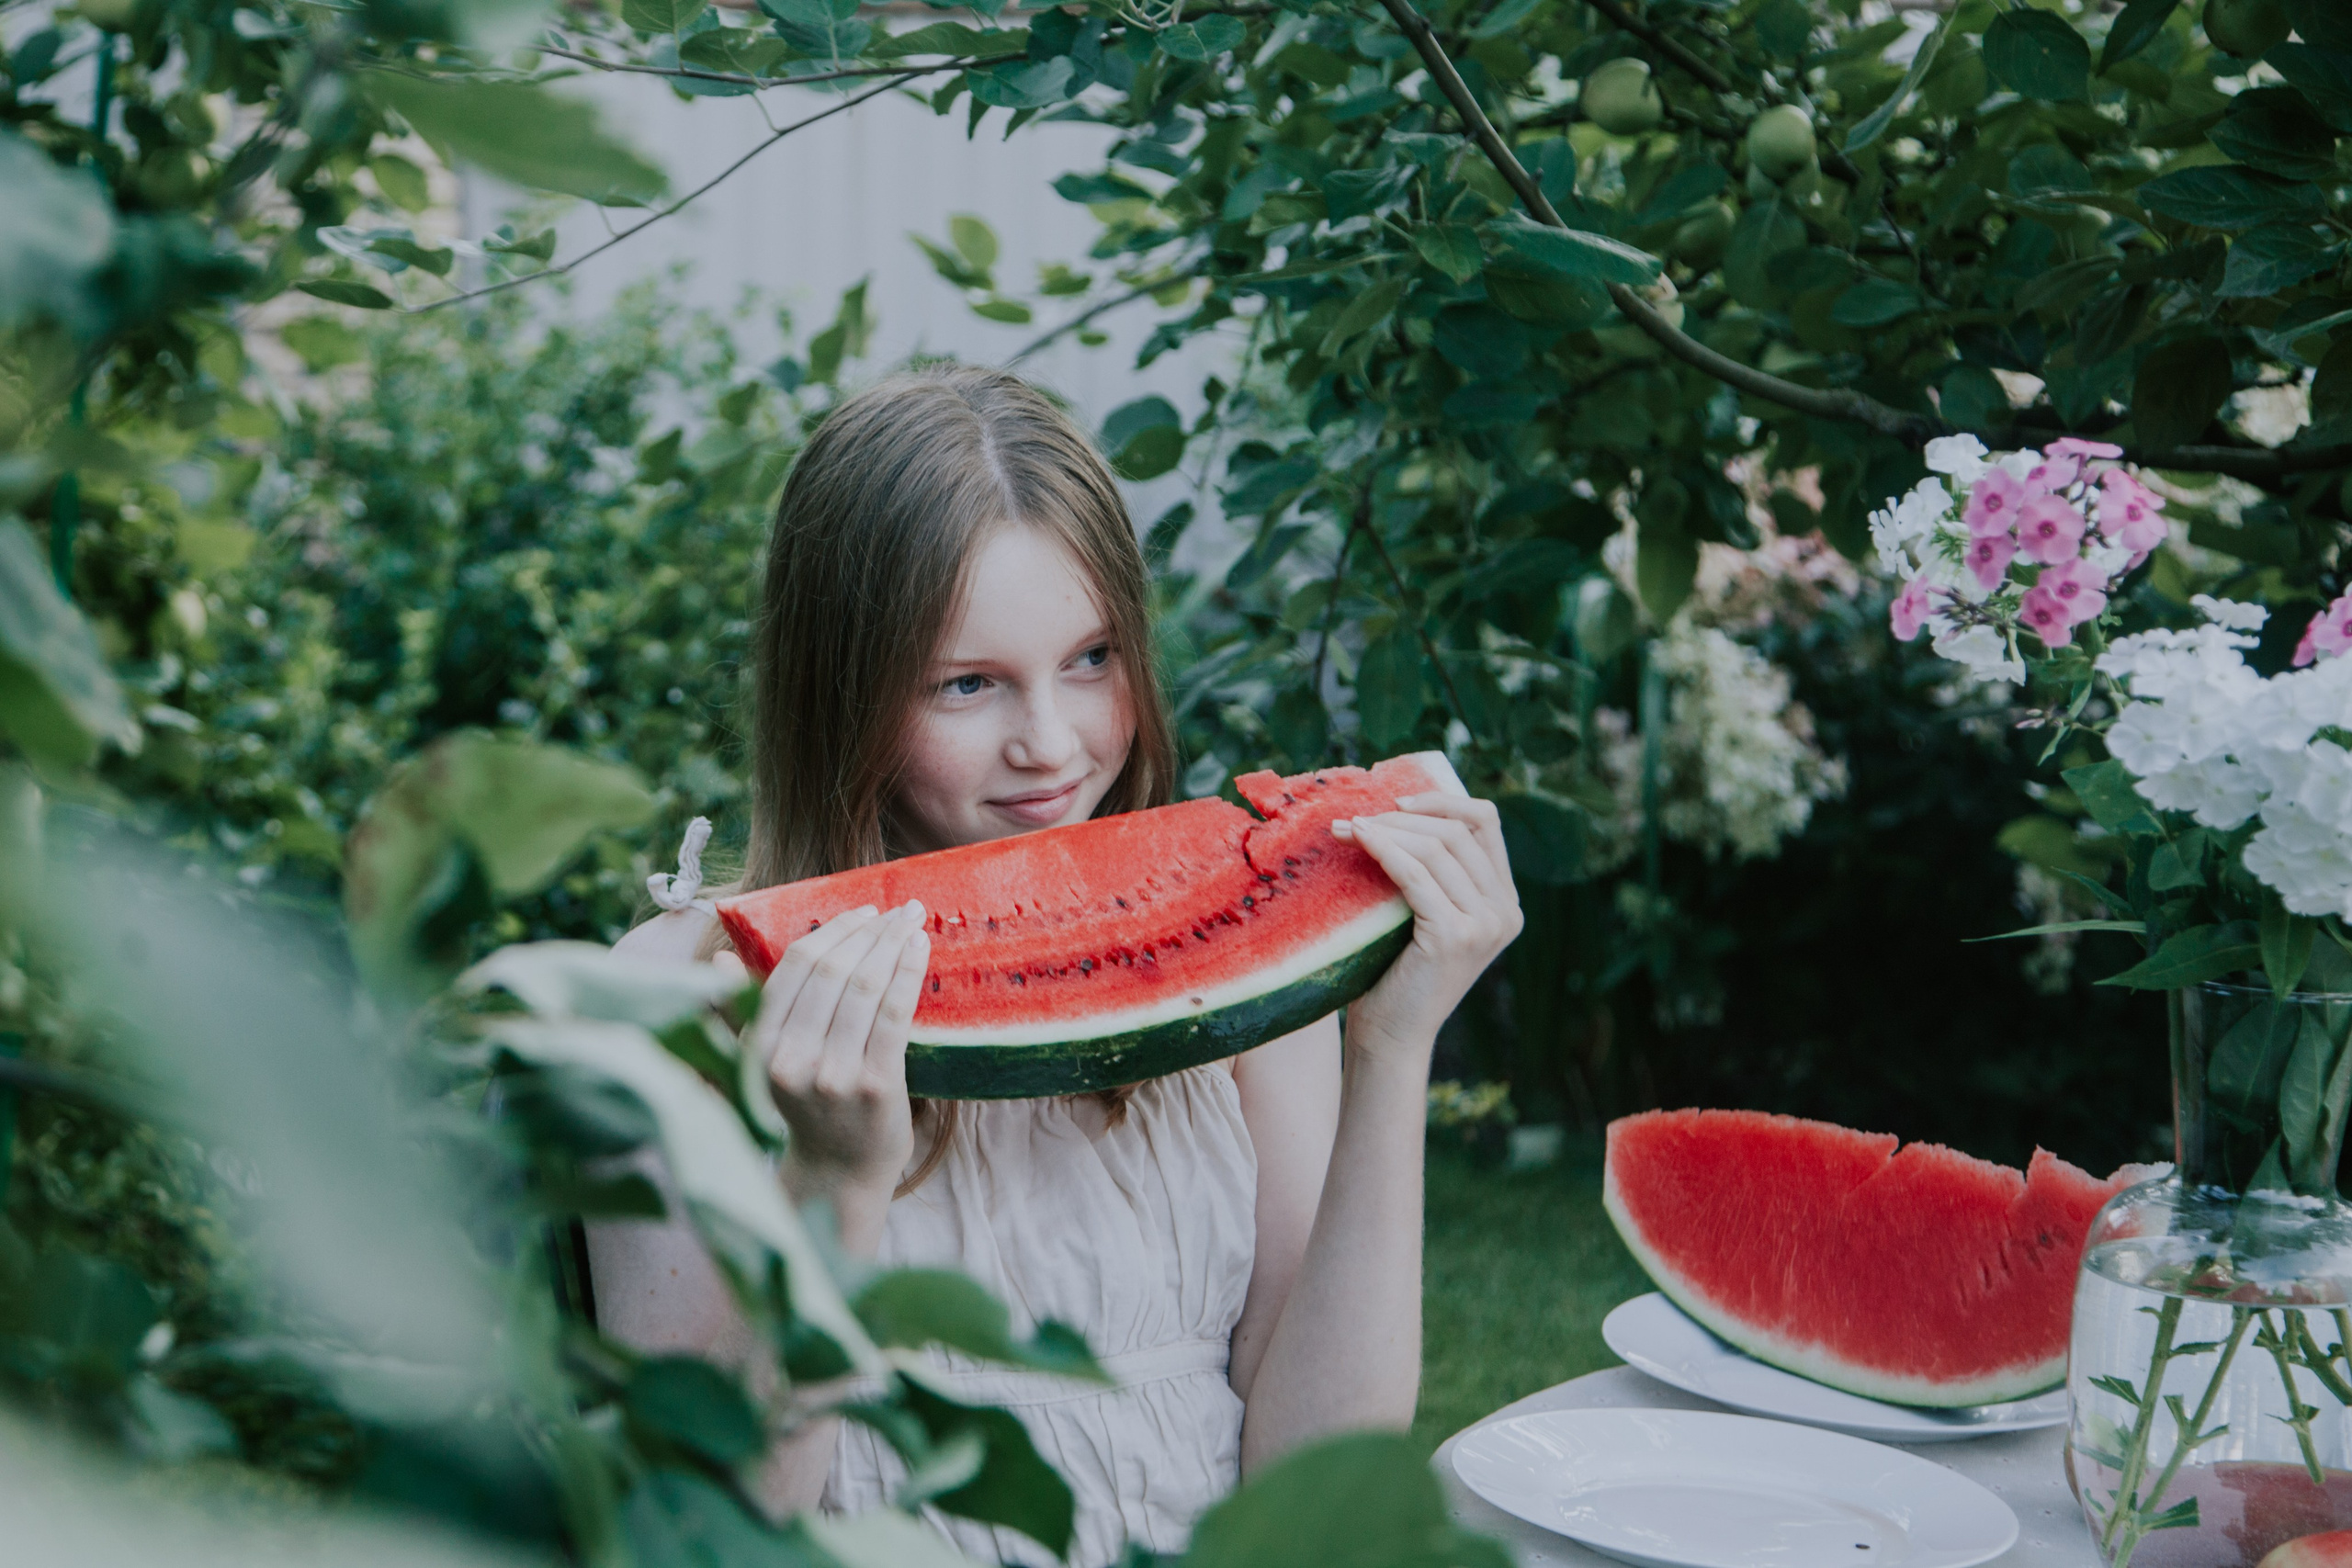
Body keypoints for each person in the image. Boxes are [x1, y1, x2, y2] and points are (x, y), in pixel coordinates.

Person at [590, 365, 1521, 1567]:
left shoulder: (1228, 985)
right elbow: (698, 1538)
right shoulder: (669, 1014)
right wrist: (833, 1191)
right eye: (967, 684)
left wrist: (1392, 1049)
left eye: (1090, 659)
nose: (1051, 746)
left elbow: (1313, 1480)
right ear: (841, 695)